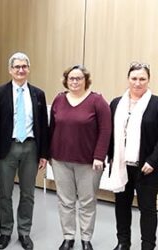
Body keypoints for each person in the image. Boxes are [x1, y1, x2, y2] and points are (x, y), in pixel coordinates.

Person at [49, 65, 111, 250]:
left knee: (87, 202)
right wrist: (48, 154)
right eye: (71, 78)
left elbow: (106, 131)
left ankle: (86, 238)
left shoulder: (97, 101)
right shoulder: (59, 99)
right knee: (65, 201)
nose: (75, 81)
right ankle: (68, 237)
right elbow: (52, 128)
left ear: (86, 80)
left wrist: (99, 156)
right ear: (66, 80)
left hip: (88, 162)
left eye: (79, 78)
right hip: (60, 160)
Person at [0, 52, 49, 250]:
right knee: (4, 193)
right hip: (7, 148)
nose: (21, 70)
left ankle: (24, 232)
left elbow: (44, 125)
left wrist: (43, 154)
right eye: (17, 67)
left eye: (24, 66)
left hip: (31, 148)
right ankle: (5, 232)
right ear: (10, 70)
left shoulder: (38, 94)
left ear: (29, 69)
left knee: (28, 194)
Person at [108, 62, 158, 250]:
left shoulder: (156, 104)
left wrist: (153, 160)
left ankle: (148, 245)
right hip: (121, 164)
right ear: (128, 79)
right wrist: (110, 156)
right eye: (134, 78)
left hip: (147, 167)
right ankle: (123, 242)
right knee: (121, 205)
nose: (138, 83)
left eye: (142, 79)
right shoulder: (116, 103)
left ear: (148, 80)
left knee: (148, 208)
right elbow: (110, 133)